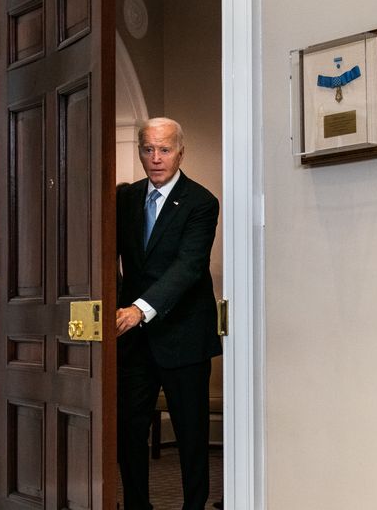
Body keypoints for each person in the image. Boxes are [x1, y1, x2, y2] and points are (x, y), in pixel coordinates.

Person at [116, 117, 221, 509]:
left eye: (164, 149)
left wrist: (140, 309)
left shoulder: (201, 202)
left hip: (183, 336)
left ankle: (193, 506)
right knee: (129, 431)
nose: (156, 158)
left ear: (180, 152)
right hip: (133, 340)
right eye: (148, 149)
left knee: (191, 434)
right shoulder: (125, 198)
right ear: (140, 151)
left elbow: (188, 266)